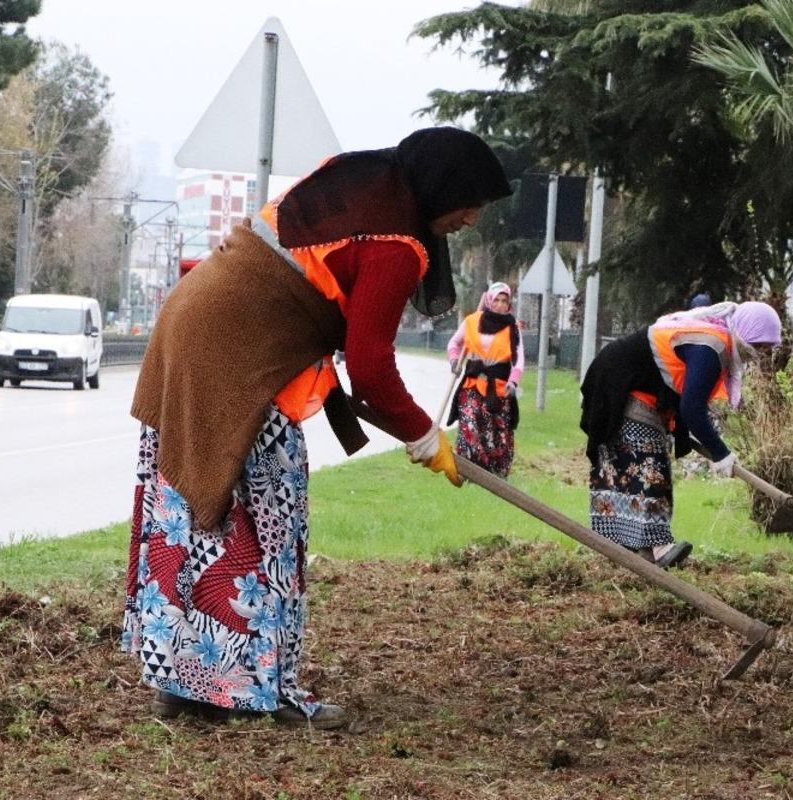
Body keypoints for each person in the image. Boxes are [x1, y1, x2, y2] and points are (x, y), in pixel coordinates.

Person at [122, 127, 512, 729]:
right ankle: (264, 691)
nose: (471, 218)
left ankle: (187, 687)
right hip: (240, 355)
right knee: (268, 520)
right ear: (443, 188)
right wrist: (426, 437)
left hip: (192, 321)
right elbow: (372, 366)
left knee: (193, 517)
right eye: (471, 201)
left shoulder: (355, 185)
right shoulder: (396, 245)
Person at [580, 301, 782, 569]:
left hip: (642, 390)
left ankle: (642, 554)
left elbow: (688, 401)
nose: (759, 354)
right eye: (760, 346)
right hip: (621, 387)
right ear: (748, 333)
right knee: (648, 468)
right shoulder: (712, 347)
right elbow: (692, 407)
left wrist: (712, 447)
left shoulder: (719, 343)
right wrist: (721, 453)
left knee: (643, 467)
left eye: (766, 349)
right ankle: (660, 548)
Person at [445, 282, 524, 477]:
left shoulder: (513, 327)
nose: (500, 304)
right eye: (496, 299)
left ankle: (492, 474)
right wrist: (455, 361)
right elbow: (454, 343)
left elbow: (519, 360)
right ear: (489, 300)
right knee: (469, 423)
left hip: (498, 388)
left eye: (504, 300)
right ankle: (467, 468)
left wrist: (513, 382)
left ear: (509, 304)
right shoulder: (472, 321)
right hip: (472, 383)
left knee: (495, 434)